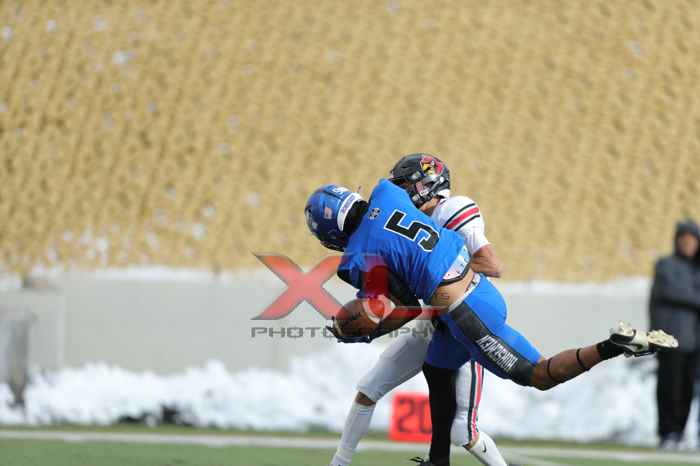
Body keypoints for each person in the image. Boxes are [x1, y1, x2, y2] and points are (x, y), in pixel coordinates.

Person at [304, 177, 678, 466]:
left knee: (539, 374)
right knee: (437, 367)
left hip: (463, 312)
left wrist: (354, 330)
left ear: (330, 231)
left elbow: (395, 310)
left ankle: (611, 346)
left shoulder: (357, 257)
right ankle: (437, 460)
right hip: (476, 289)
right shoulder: (387, 192)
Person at [326, 154, 510, 466]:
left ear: (426, 185)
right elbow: (407, 302)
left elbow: (492, 265)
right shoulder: (402, 220)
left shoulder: (452, 209)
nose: (400, 190)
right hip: (435, 320)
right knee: (368, 388)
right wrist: (369, 328)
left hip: (466, 319)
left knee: (462, 430)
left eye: (403, 183)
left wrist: (439, 277)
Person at [650, 219, 700, 450]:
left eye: (692, 240)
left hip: (694, 341)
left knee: (687, 390)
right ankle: (667, 432)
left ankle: (679, 431)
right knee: (669, 388)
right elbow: (672, 290)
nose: (687, 244)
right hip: (671, 339)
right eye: (684, 239)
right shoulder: (666, 265)